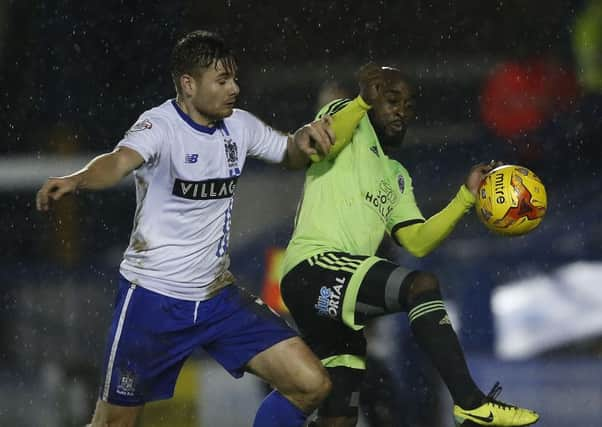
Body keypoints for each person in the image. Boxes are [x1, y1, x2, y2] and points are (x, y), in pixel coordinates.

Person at [36, 30, 335, 427]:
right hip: (153, 302)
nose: (235, 89)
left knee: (310, 383)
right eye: (223, 81)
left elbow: (289, 154)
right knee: (113, 424)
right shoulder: (159, 125)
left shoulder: (239, 127)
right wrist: (77, 179)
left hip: (217, 298)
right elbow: (118, 161)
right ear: (188, 85)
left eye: (235, 79)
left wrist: (303, 139)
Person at [279, 63, 540, 427]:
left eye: (408, 104)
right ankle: (471, 402)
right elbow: (323, 140)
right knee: (420, 285)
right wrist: (359, 103)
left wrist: (466, 197)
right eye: (391, 100)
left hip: (336, 299)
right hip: (315, 269)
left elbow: (418, 241)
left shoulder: (397, 176)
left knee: (338, 418)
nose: (402, 110)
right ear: (371, 99)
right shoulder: (343, 120)